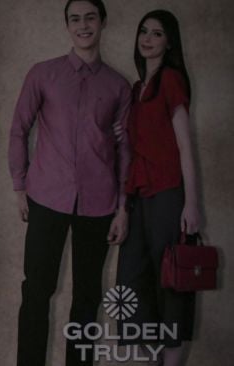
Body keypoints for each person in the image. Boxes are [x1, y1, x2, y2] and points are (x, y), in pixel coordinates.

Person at [8, 1, 131, 364]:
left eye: (90, 17)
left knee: (88, 296)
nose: (83, 25)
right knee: (36, 291)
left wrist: (123, 207)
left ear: (102, 23)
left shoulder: (118, 86)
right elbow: (18, 130)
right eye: (75, 19)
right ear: (67, 26)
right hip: (46, 197)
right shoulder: (43, 75)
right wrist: (19, 186)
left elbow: (126, 150)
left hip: (99, 202)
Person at [116, 10, 197, 366]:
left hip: (167, 194)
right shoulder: (137, 90)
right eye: (143, 31)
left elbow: (184, 145)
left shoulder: (171, 80)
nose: (148, 38)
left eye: (157, 33)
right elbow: (136, 143)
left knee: (171, 283)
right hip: (138, 197)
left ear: (169, 41)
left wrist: (191, 204)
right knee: (135, 279)